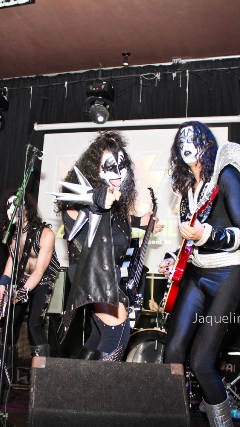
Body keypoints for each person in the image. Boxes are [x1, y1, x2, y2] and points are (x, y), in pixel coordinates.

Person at [158, 121, 240, 426]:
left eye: (193, 138)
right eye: (181, 140)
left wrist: (207, 235)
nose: (186, 144)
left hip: (229, 274)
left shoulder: (227, 176)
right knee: (172, 351)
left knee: (201, 361)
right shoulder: (188, 189)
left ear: (207, 144)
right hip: (197, 272)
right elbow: (191, 239)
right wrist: (174, 259)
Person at [52, 131, 164, 361]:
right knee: (117, 333)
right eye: (111, 166)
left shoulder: (114, 205)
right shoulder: (83, 199)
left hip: (105, 273)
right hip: (93, 273)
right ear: (94, 170)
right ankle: (99, 383)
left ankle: (77, 380)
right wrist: (98, 198)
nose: (119, 173)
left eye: (122, 166)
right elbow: (86, 204)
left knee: (98, 336)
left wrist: (140, 222)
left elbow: (112, 221)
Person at [0, 189, 60, 383]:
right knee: (10, 323)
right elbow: (12, 260)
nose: (11, 210)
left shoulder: (45, 234)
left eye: (16, 206)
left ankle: (41, 378)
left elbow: (39, 271)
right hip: (23, 277)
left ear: (26, 208)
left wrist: (22, 293)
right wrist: (3, 284)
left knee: (34, 324)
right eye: (9, 207)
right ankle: (5, 374)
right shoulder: (13, 234)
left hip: (43, 279)